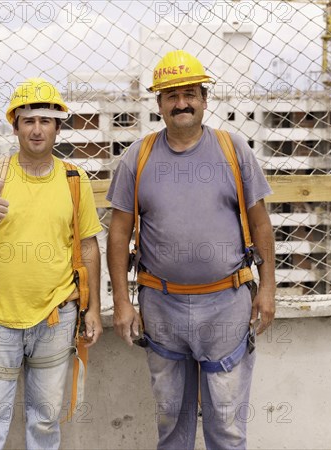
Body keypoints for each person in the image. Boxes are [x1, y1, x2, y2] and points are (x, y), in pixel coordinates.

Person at [106, 50, 276, 450]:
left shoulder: (232, 149)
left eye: (189, 94)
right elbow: (118, 233)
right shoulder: (139, 157)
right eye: (171, 96)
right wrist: (121, 302)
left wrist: (267, 289)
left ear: (204, 98)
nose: (181, 103)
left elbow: (260, 222)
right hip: (161, 306)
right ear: (159, 103)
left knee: (228, 426)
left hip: (226, 303)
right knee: (172, 425)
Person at [0, 77, 103, 450]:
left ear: (57, 127)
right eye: (28, 120)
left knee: (46, 425)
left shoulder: (73, 179)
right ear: (15, 125)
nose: (37, 129)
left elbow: (87, 245)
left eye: (45, 121)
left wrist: (94, 307)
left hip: (57, 316)